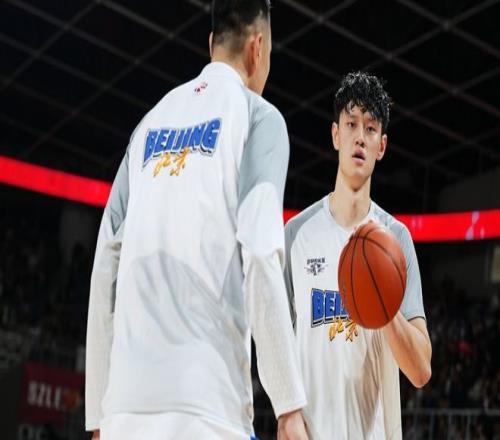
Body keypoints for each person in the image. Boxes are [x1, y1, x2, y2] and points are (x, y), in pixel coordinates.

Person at [85, 1, 308, 438]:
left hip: (124, 410)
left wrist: (98, 415)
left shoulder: (148, 124)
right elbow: (260, 252)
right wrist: (288, 404)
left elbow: (104, 266)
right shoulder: (259, 118)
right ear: (257, 48)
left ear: (211, 44)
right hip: (208, 406)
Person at [284, 72, 432, 439]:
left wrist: (384, 307)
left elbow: (421, 371)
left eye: (370, 128)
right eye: (351, 124)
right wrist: (285, 411)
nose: (360, 137)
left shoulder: (395, 238)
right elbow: (276, 343)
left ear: (382, 146)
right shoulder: (296, 235)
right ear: (336, 135)